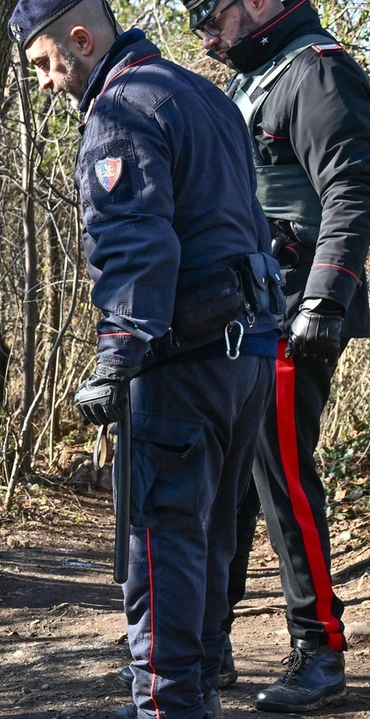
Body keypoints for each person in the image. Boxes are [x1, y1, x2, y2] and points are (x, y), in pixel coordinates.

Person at [7, 0, 284, 716]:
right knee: (213, 535)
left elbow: (136, 240)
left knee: (160, 548)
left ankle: (167, 704)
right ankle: (199, 683)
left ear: (79, 37)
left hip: (184, 360)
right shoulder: (201, 93)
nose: (42, 81)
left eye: (43, 63)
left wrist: (117, 354)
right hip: (248, 354)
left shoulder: (122, 112)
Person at [179, 0, 370, 711]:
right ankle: (210, 639)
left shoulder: (318, 74)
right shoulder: (252, 81)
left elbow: (351, 189)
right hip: (244, 314)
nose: (204, 35)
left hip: (297, 314)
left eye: (211, 16)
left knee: (283, 478)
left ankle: (318, 652)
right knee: (232, 483)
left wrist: (325, 298)